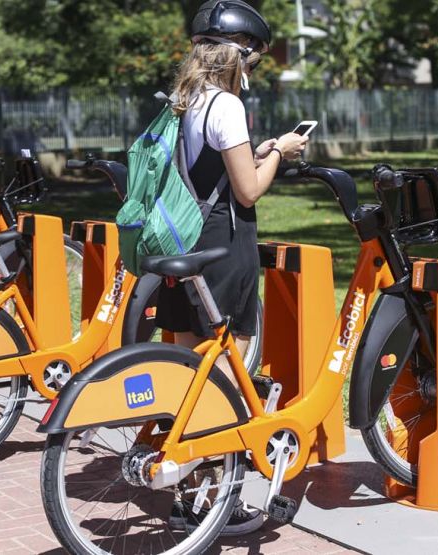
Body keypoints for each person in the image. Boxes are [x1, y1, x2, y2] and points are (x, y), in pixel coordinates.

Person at [160, 0, 309, 537]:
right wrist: (283, 151)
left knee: (185, 368)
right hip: (223, 241)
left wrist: (259, 147)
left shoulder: (185, 99)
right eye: (256, 60)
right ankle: (210, 498)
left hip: (184, 235)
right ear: (237, 54)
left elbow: (213, 166)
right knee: (226, 369)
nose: (254, 70)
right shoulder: (225, 104)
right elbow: (247, 187)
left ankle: (186, 490)